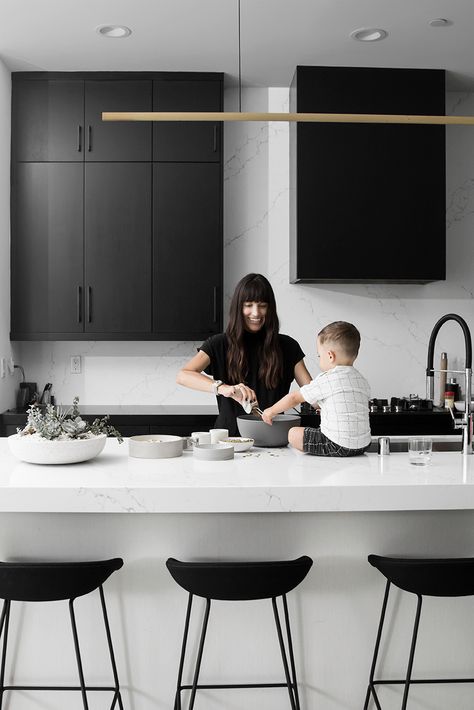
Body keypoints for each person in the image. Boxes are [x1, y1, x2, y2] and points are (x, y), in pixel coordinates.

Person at [176, 273, 312, 436]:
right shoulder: (218, 343)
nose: (256, 313)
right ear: (238, 307)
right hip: (227, 439)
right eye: (249, 305)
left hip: (273, 437)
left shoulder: (288, 346)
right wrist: (223, 388)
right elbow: (183, 376)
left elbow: (312, 391)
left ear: (270, 308)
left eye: (262, 305)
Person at [262, 321, 371, 457]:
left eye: (319, 355)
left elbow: (294, 398)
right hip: (363, 445)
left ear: (330, 356)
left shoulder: (327, 379)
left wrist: (271, 411)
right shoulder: (362, 380)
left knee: (293, 434)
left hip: (336, 445)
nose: (319, 359)